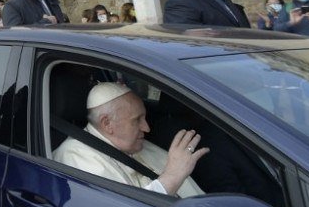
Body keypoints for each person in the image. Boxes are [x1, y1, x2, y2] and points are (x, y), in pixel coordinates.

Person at [54, 82, 205, 197]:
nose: (147, 128)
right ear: (107, 124)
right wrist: (172, 178)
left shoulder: (134, 144)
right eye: (137, 120)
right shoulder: (74, 156)